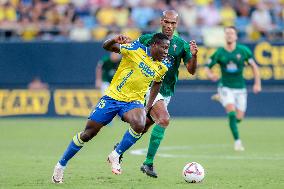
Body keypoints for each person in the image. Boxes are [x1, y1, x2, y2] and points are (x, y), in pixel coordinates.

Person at [51, 33, 170, 183]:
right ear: (154, 45)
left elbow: (157, 83)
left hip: (133, 101)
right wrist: (113, 40)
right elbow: (107, 46)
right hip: (112, 98)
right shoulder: (135, 49)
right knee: (88, 134)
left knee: (140, 124)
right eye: (164, 48)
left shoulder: (163, 66)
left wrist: (148, 105)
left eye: (168, 49)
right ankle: (61, 165)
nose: (166, 51)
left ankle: (116, 154)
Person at [116, 10, 198, 178]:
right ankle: (148, 163)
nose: (169, 26)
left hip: (166, 91)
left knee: (143, 126)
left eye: (173, 23)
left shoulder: (181, 44)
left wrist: (194, 56)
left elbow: (191, 70)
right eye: (167, 22)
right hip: (148, 87)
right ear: (161, 21)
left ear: (177, 24)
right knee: (164, 119)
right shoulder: (148, 39)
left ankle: (118, 150)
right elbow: (131, 52)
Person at [205, 26, 261, 151]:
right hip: (225, 86)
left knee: (239, 118)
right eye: (227, 33)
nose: (230, 35)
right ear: (225, 36)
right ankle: (237, 141)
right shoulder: (219, 52)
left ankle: (221, 99)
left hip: (240, 88)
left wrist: (257, 84)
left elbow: (255, 67)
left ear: (236, 36)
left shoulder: (244, 51)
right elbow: (207, 67)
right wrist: (210, 75)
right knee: (231, 113)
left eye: (232, 33)